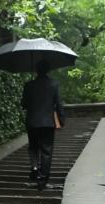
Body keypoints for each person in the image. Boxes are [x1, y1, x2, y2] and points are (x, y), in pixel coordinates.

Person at [21, 59, 64, 191]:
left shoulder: (28, 85)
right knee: (46, 151)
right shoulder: (54, 84)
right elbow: (58, 103)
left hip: (32, 121)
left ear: (36, 70)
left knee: (33, 147)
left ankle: (34, 168)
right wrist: (62, 120)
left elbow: (23, 104)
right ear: (48, 70)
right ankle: (42, 180)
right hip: (47, 123)